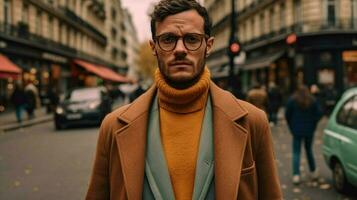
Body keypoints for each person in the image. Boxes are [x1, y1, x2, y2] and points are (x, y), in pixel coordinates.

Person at [86, 0, 282, 199]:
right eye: (168, 39)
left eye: (192, 39)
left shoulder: (253, 122)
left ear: (209, 45)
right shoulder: (113, 127)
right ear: (154, 47)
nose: (180, 49)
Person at [285, 85, 323, 185]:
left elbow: (287, 115)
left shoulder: (292, 100)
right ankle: (313, 171)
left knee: (296, 152)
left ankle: (296, 175)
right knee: (309, 150)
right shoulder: (312, 100)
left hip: (296, 130)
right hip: (309, 130)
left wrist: (291, 126)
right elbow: (319, 113)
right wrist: (313, 123)